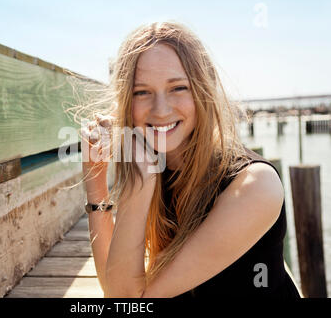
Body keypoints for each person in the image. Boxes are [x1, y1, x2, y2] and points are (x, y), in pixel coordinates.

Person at [79, 21, 301, 298]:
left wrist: (139, 184)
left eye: (178, 88)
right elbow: (116, 287)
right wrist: (95, 179)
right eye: (142, 92)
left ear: (203, 90)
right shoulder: (158, 166)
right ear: (126, 101)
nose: (160, 109)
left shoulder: (255, 186)